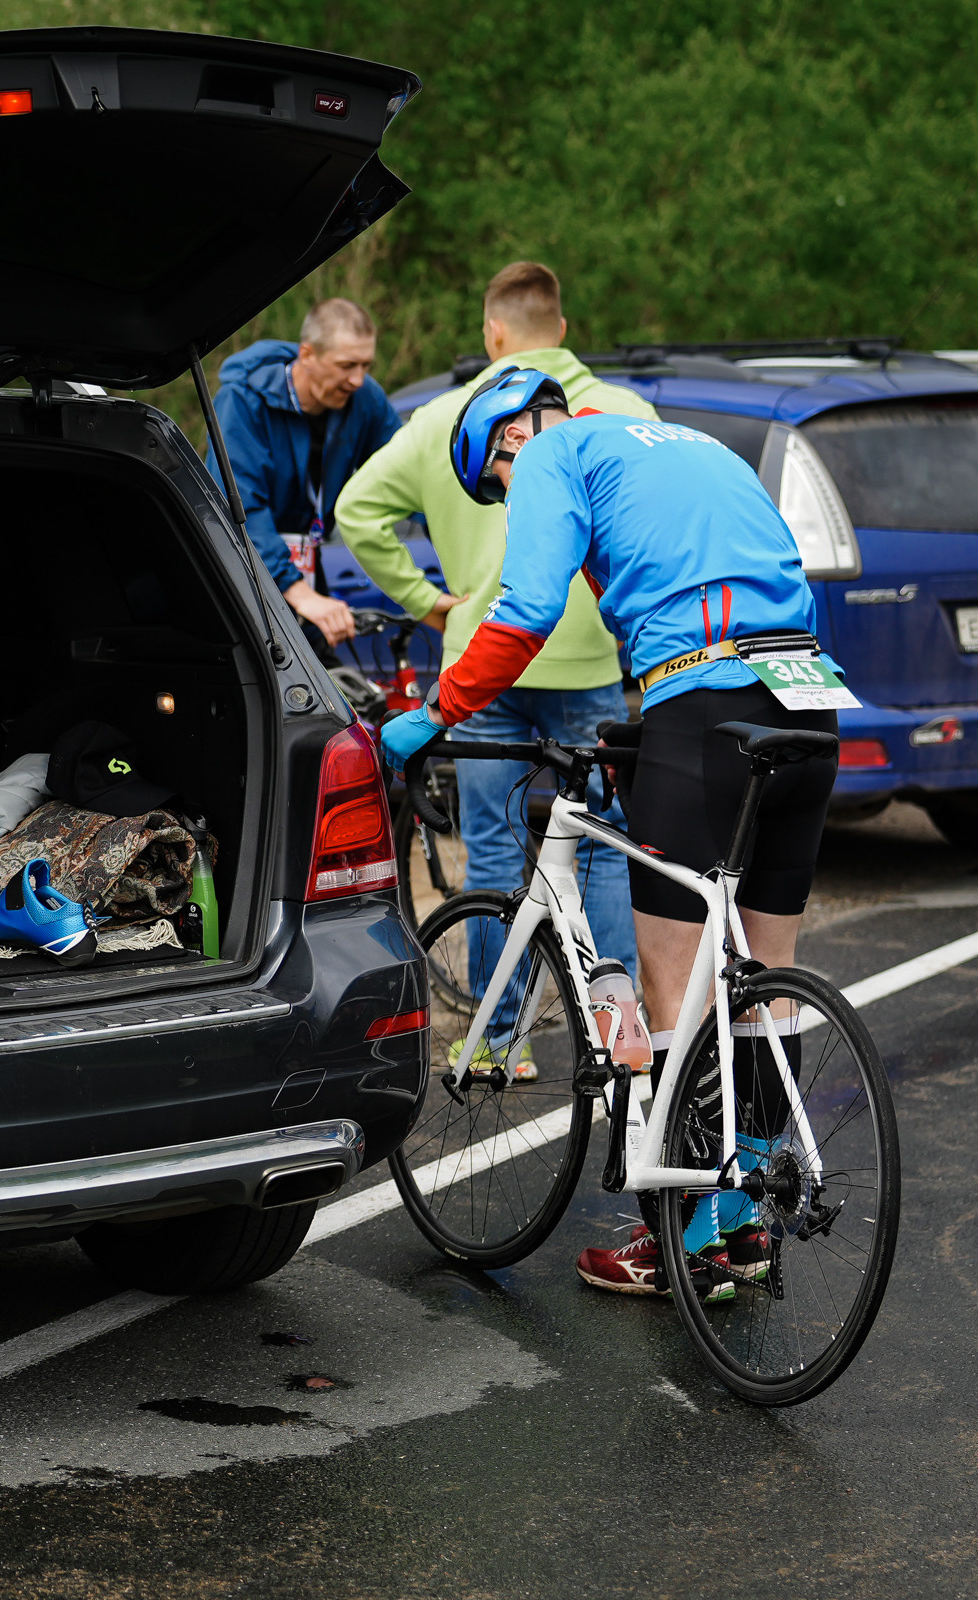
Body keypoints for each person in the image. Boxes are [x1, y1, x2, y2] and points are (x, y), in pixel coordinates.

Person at [379, 365, 845, 1296]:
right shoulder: (692, 442)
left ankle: (689, 1244)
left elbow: (524, 613)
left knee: (674, 1008)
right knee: (765, 995)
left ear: (507, 444)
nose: (516, 502)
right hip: (806, 706)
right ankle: (751, 1225)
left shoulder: (553, 449)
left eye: (502, 494)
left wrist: (432, 715)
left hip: (704, 705)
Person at [334, 261, 649, 1029]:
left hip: (481, 660)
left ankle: (500, 1032)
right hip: (585, 659)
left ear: (492, 332)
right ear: (562, 329)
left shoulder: (450, 414)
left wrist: (434, 604)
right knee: (605, 845)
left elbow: (357, 508)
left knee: (495, 845)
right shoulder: (622, 408)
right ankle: (618, 1024)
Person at [211, 297, 400, 660]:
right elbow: (240, 507)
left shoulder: (366, 399)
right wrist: (299, 593)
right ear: (308, 354)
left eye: (366, 365)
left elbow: (404, 473)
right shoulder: (242, 400)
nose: (358, 380)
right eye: (347, 365)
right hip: (247, 577)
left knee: (337, 696)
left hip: (305, 574)